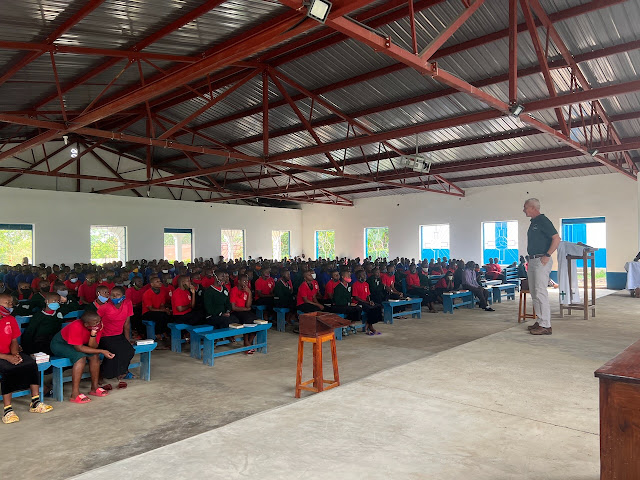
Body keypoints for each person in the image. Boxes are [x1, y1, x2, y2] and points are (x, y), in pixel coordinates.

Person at [0, 293, 53, 423]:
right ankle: (8, 410)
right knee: (8, 369)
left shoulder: (11, 319)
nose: (10, 305)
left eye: (11, 303)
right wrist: (7, 358)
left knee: (31, 364)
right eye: (7, 303)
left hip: (9, 354)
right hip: (1, 356)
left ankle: (35, 402)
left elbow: (14, 340)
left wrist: (15, 354)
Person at [49, 311, 113, 403]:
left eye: (99, 321)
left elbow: (93, 347)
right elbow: (79, 348)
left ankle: (94, 388)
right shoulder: (76, 326)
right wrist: (102, 351)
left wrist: (93, 333)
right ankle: (74, 394)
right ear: (86, 324)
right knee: (80, 358)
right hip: (60, 344)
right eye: (95, 323)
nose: (98, 324)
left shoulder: (98, 326)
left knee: (95, 356)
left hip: (77, 344)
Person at [523, 198, 561, 335]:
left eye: (525, 207)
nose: (524, 210)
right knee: (534, 293)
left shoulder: (543, 221)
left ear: (533, 208)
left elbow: (556, 238)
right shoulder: (534, 222)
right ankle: (540, 321)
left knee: (540, 292)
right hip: (533, 260)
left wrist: (548, 255)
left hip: (541, 259)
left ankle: (546, 325)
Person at [97, 286, 135, 389]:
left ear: (123, 296)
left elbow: (126, 324)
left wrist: (127, 340)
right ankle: (102, 373)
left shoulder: (127, 303)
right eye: (112, 295)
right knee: (115, 352)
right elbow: (95, 320)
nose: (114, 297)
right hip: (105, 336)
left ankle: (122, 371)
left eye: (117, 295)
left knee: (130, 350)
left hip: (118, 335)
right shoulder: (105, 307)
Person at [229, 274, 258, 354]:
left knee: (256, 320)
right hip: (236, 312)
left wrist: (249, 293)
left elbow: (248, 305)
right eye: (244, 281)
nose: (246, 283)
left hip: (245, 311)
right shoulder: (234, 290)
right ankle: (246, 342)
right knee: (247, 320)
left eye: (247, 281)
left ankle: (249, 342)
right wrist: (246, 309)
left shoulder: (246, 290)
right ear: (239, 281)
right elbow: (233, 308)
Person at [141, 276, 172, 343]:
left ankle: (165, 332)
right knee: (160, 316)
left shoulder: (162, 292)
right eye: (157, 282)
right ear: (152, 284)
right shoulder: (147, 293)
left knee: (168, 315)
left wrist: (165, 309)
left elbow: (162, 304)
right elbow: (150, 308)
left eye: (160, 281)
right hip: (147, 312)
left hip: (158, 311)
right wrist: (163, 310)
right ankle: (158, 333)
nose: (160, 283)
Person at [351, 270, 383, 335]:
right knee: (370, 309)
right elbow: (356, 297)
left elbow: (368, 295)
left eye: (365, 274)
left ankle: (369, 323)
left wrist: (370, 301)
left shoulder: (366, 284)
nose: (365, 276)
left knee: (378, 306)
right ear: (358, 276)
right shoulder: (355, 285)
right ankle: (370, 326)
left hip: (366, 302)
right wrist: (367, 302)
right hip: (358, 302)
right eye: (363, 275)